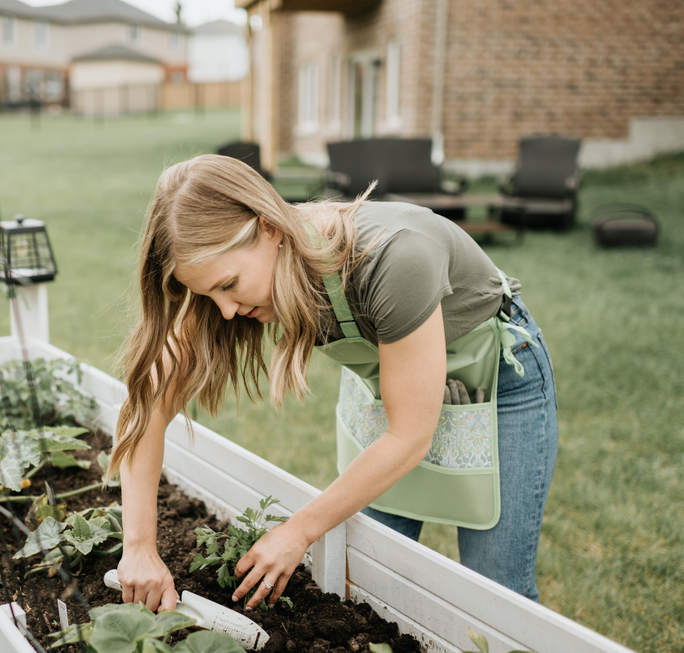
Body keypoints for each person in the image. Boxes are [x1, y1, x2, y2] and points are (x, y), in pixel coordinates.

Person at [106, 154, 558, 613]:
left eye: (229, 284)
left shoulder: (396, 259)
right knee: (371, 585)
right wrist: (138, 545)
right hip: (391, 387)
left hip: (498, 386)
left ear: (269, 228)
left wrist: (297, 530)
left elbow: (408, 435)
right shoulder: (233, 277)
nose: (224, 311)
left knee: (498, 598)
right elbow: (148, 405)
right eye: (207, 294)